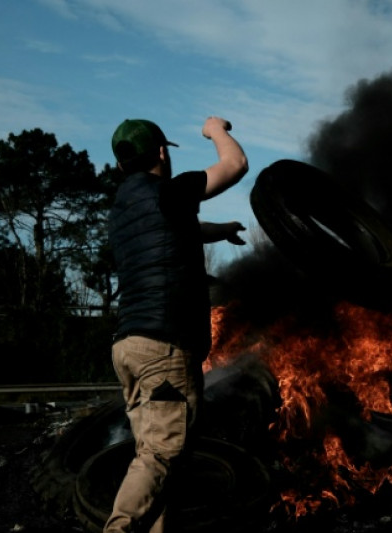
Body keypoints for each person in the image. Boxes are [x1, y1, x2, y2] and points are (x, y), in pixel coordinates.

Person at [105, 116, 249, 532]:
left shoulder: (123, 209)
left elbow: (178, 228)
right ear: (163, 154)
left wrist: (221, 230)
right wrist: (215, 130)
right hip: (163, 346)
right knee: (162, 455)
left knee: (154, 457)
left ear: (120, 166)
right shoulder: (168, 191)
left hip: (127, 347)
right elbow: (235, 164)